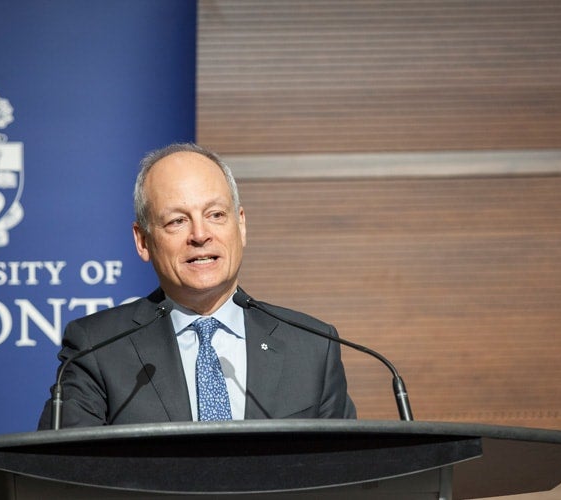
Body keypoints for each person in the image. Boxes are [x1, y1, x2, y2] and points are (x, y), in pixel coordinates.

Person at [38, 143, 355, 429]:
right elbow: (63, 475)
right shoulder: (97, 348)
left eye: (216, 214)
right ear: (143, 240)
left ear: (240, 225)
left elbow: (348, 474)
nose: (200, 235)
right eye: (177, 221)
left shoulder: (312, 347)